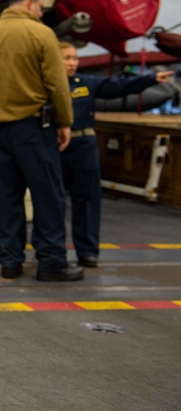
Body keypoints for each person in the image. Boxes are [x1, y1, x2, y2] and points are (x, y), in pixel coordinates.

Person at [0, 0, 80, 282]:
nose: (42, 13)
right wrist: (65, 121)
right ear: (31, 4)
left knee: (7, 198)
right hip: (34, 129)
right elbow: (57, 85)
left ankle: (10, 261)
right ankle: (51, 262)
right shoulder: (42, 34)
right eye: (41, 7)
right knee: (48, 196)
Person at [59, 42, 173, 267]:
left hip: (83, 144)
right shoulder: (45, 85)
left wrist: (150, 79)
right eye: (66, 58)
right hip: (55, 145)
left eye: (74, 58)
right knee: (53, 200)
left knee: (88, 199)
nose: (72, 63)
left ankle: (88, 251)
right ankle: (52, 250)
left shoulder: (87, 83)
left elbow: (118, 87)